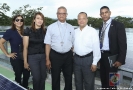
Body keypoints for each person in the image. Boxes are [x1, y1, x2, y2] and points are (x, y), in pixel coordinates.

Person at [44, 6, 74, 90]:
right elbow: (47, 44)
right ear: (57, 15)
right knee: (55, 78)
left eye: (63, 13)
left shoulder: (71, 27)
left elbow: (73, 43)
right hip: (55, 56)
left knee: (68, 78)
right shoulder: (51, 27)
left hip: (68, 56)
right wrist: (47, 59)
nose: (61, 15)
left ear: (66, 14)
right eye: (59, 13)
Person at [99, 6, 127, 90]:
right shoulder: (101, 26)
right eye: (102, 13)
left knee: (113, 82)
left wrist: (120, 60)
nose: (104, 15)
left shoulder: (118, 25)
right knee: (103, 80)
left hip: (113, 58)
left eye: (106, 12)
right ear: (100, 15)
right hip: (102, 57)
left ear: (110, 13)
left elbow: (123, 44)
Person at [0, 15, 30, 89]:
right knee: (18, 76)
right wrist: (7, 54)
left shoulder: (25, 31)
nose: (19, 21)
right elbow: (0, 42)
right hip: (16, 58)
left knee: (26, 76)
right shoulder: (10, 32)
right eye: (17, 20)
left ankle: (25, 87)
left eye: (21, 20)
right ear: (14, 21)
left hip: (26, 58)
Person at [73, 12, 101, 90]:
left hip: (88, 60)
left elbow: (96, 48)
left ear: (87, 20)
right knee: (78, 82)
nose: (81, 20)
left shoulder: (92, 31)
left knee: (89, 83)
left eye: (83, 18)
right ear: (77, 20)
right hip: (76, 60)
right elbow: (73, 46)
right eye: (79, 19)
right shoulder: (75, 32)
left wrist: (94, 63)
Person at [23, 12, 46, 90]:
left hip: (43, 57)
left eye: (41, 19)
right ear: (34, 20)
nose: (40, 20)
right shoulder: (28, 30)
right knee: (36, 78)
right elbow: (25, 47)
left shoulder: (45, 31)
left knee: (43, 78)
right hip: (32, 57)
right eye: (38, 18)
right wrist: (25, 62)